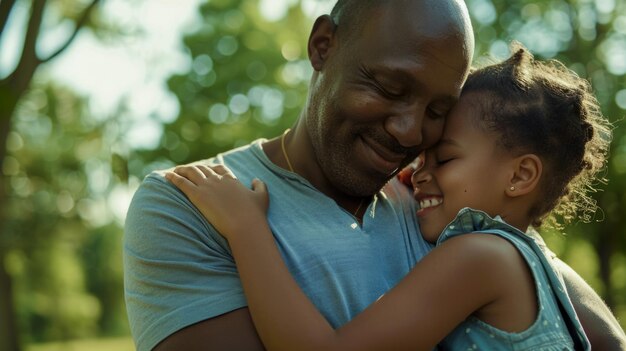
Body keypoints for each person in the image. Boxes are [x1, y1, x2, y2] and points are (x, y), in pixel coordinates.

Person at [123, 0, 626, 350]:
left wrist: (249, 232)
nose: (410, 136)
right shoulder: (191, 203)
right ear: (322, 46)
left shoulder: (446, 215)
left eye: (437, 111)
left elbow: (601, 337)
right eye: (387, 86)